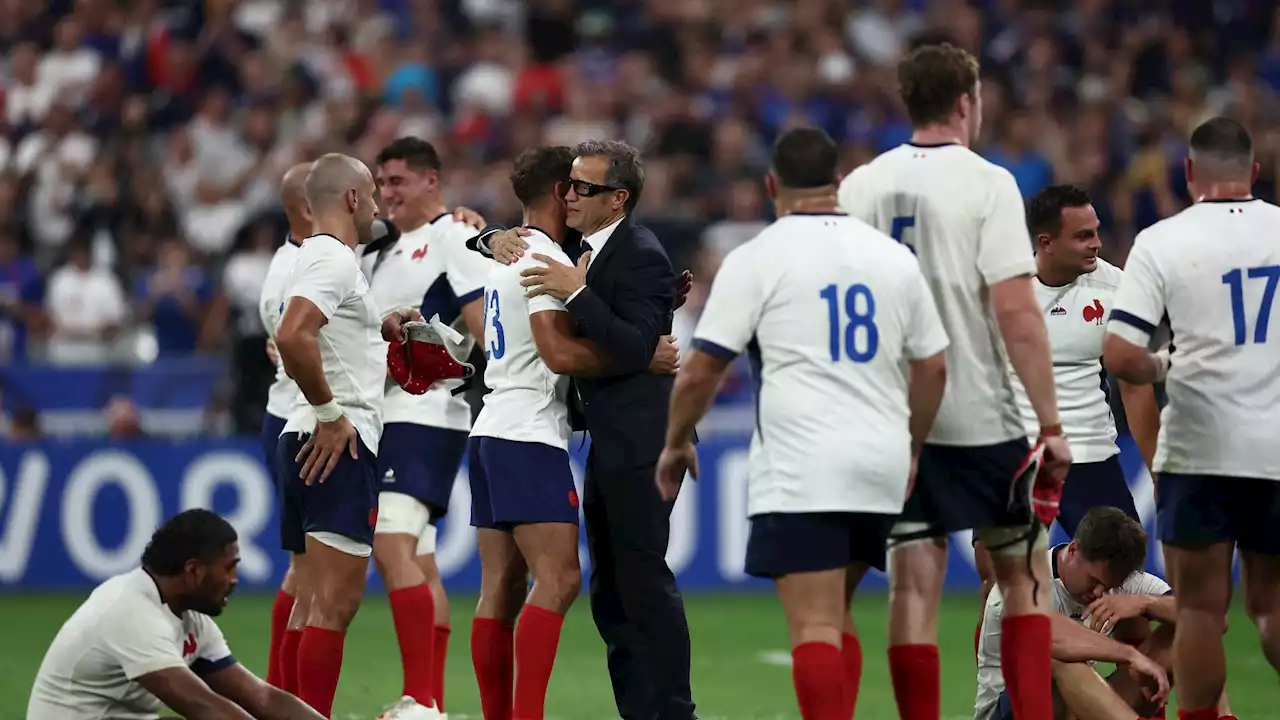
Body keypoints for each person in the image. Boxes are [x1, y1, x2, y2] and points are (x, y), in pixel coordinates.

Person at [658, 126, 949, 719]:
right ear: (838, 183)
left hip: (804, 462)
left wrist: (673, 442)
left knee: (813, 622)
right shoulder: (892, 257)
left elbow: (701, 368)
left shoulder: (759, 257)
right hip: (883, 461)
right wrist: (913, 446)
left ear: (771, 186)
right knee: (836, 607)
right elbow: (934, 368)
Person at [836, 42, 1070, 720]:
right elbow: (1017, 311)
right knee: (1024, 579)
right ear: (968, 100)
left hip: (896, 420)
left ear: (909, 101)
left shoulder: (859, 187)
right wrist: (1051, 424)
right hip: (980, 414)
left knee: (913, 588)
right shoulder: (988, 183)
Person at [478, 140, 694, 720]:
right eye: (569, 185)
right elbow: (624, 341)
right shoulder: (573, 251)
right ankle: (638, 711)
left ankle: (672, 711)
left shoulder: (635, 252)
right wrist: (491, 236)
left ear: (617, 198)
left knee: (637, 582)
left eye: (585, 188)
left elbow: (626, 342)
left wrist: (574, 291)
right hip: (591, 440)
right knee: (608, 591)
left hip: (639, 444)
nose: (572, 194)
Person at [1104, 116, 1280, 720]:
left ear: (1187, 174)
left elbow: (1120, 355)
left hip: (1201, 450)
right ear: (1254, 173)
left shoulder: (1161, 241)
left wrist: (1164, 363)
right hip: (1277, 447)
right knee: (1274, 606)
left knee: (1201, 609)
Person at [469, 145, 632, 720]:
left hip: (491, 429)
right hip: (527, 431)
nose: (582, 198)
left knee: (502, 591)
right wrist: (638, 356)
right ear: (561, 193)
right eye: (578, 188)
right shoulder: (538, 258)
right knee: (559, 579)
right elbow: (558, 352)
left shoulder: (507, 254)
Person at [967, 185, 1165, 651]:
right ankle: (1000, 701)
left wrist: (1157, 468)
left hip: (1090, 455)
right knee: (997, 587)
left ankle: (1131, 699)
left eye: (1096, 232)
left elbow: (1135, 387)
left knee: (1125, 591)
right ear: (1045, 242)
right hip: (1015, 455)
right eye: (1083, 236)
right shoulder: (997, 292)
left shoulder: (1116, 288)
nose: (1097, 243)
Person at [274, 153, 406, 718]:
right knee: (336, 604)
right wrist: (330, 412)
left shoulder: (313, 259)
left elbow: (320, 335)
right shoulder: (333, 259)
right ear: (352, 198)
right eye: (372, 193)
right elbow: (293, 335)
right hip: (334, 441)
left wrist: (383, 326)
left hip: (303, 437)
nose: (377, 204)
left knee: (311, 603)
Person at [364, 136, 491, 719]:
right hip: (387, 413)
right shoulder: (382, 251)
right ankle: (432, 702)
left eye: (399, 181)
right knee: (419, 555)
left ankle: (418, 700)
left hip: (428, 411)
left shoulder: (453, 236)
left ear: (431, 182)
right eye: (382, 183)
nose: (388, 193)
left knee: (389, 545)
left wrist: (462, 360)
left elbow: (480, 330)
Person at [27, 509, 328, 720]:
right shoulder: (132, 612)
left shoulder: (189, 619)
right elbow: (202, 705)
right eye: (229, 567)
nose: (234, 579)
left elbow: (261, 698)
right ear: (193, 570)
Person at [974, 507, 1188, 720]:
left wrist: (1145, 603)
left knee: (1179, 633)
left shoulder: (1121, 581)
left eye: (1109, 586)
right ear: (1074, 550)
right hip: (1010, 712)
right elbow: (1049, 635)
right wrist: (1131, 655)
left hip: (1074, 710)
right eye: (1094, 581)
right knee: (1058, 657)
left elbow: (1204, 619)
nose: (1099, 592)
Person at [260, 162, 312, 696]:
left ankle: (279, 692)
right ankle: (283, 694)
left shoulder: (286, 262)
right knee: (312, 574)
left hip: (285, 415)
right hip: (300, 417)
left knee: (305, 570)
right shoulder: (301, 269)